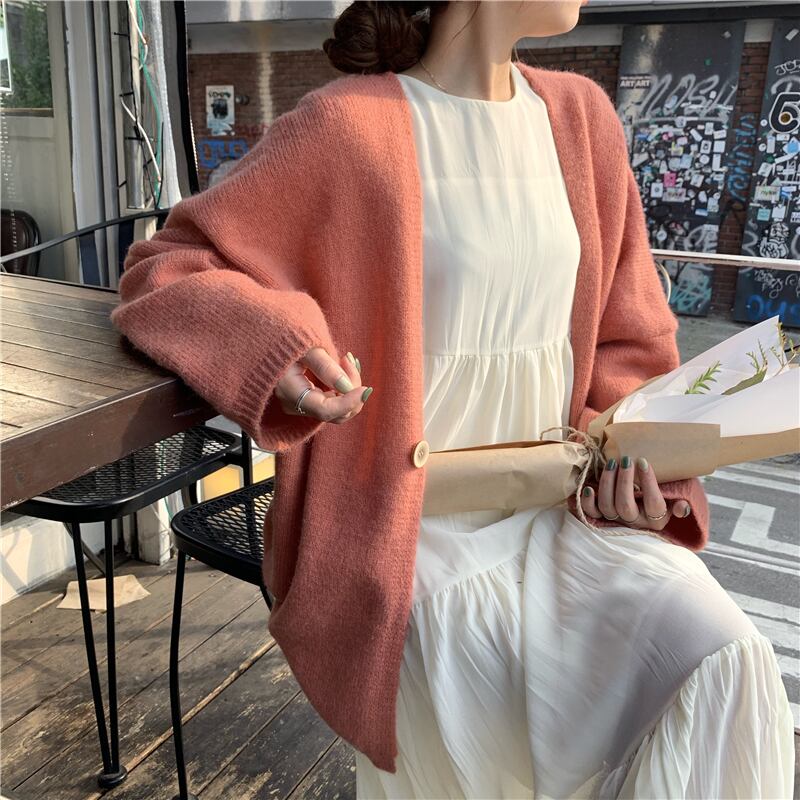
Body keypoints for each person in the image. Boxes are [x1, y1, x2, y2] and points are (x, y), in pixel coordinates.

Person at [111, 1, 795, 797]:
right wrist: (282, 347)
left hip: (565, 513)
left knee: (722, 660)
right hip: (410, 533)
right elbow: (168, 266)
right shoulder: (346, 126)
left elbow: (628, 340)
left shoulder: (583, 119)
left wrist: (639, 473)